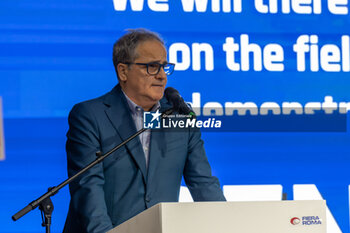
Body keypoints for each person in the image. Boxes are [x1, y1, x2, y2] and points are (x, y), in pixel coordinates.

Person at [63, 28, 226, 233]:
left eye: (164, 67)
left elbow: (204, 184)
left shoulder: (180, 117)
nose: (161, 76)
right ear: (123, 71)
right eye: (151, 67)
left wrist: (226, 224)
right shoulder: (90, 116)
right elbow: (88, 189)